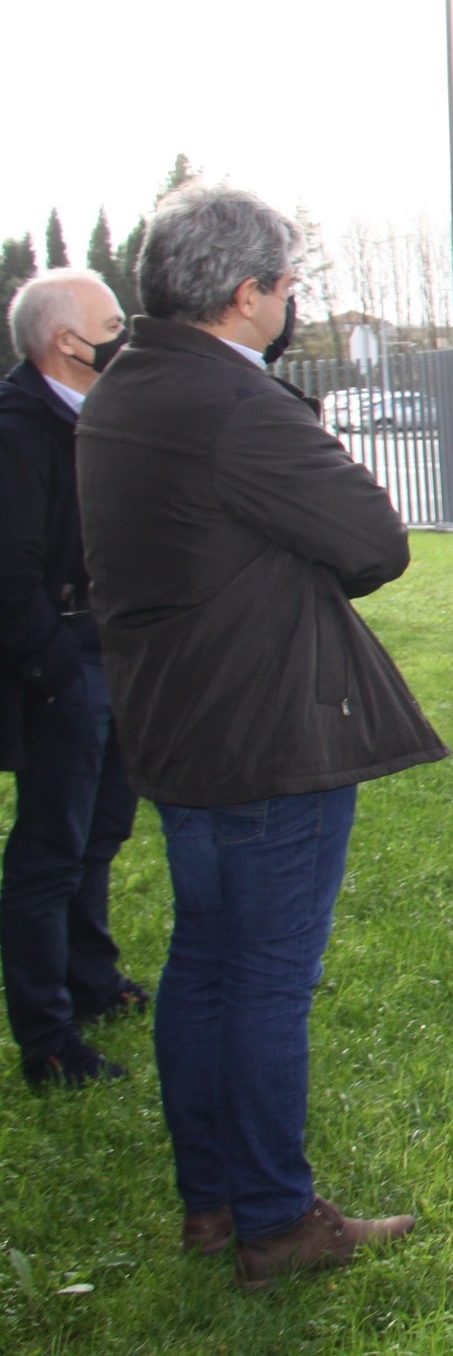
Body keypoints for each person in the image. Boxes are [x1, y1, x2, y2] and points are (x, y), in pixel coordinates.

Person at [76, 183, 447, 1287]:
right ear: (247, 295)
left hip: (179, 720)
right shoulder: (235, 401)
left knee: (204, 962)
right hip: (267, 729)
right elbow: (374, 541)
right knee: (266, 979)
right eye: (288, 285)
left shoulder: (127, 384)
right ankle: (277, 1220)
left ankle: (215, 1201)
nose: (292, 303)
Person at [0, 268, 144, 1090]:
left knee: (101, 832)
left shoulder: (99, 418)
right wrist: (56, 670)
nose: (126, 337)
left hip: (111, 654)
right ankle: (49, 1040)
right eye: (114, 324)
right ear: (65, 341)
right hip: (64, 666)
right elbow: (10, 571)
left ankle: (93, 980)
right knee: (50, 853)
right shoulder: (17, 429)